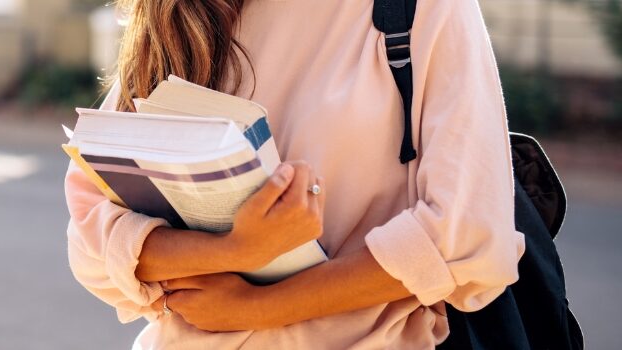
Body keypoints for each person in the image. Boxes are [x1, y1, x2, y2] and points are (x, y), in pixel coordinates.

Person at [63, 0, 527, 348]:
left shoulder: (419, 7)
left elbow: (465, 239)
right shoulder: (177, 14)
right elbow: (92, 243)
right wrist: (236, 248)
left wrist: (258, 307)